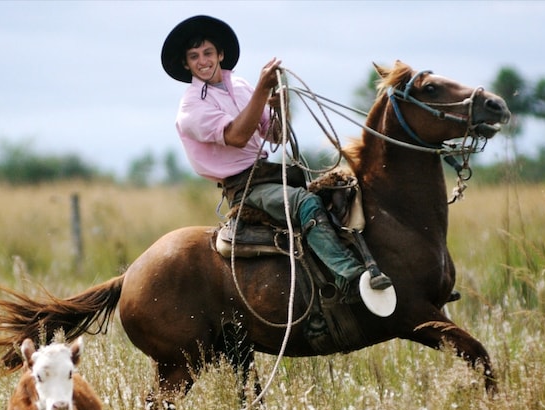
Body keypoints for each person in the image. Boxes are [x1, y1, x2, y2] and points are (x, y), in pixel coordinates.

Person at [161, 15, 391, 298]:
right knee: (304, 204)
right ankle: (351, 278)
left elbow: (276, 136)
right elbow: (236, 137)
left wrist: (280, 108)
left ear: (220, 54)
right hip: (245, 187)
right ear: (186, 64)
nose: (203, 61)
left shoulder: (243, 87)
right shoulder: (191, 108)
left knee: (341, 192)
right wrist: (262, 91)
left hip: (266, 172)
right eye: (194, 56)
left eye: (208, 52)